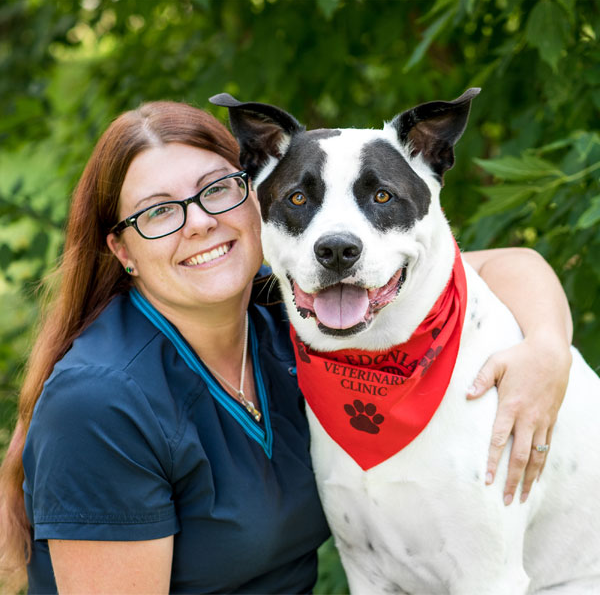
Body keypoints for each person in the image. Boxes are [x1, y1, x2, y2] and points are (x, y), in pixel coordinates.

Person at [0, 101, 572, 594]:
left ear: (255, 196)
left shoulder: (294, 315)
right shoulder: (100, 405)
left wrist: (548, 349)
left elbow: (501, 265)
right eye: (158, 212)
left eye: (216, 190)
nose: (198, 222)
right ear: (122, 251)